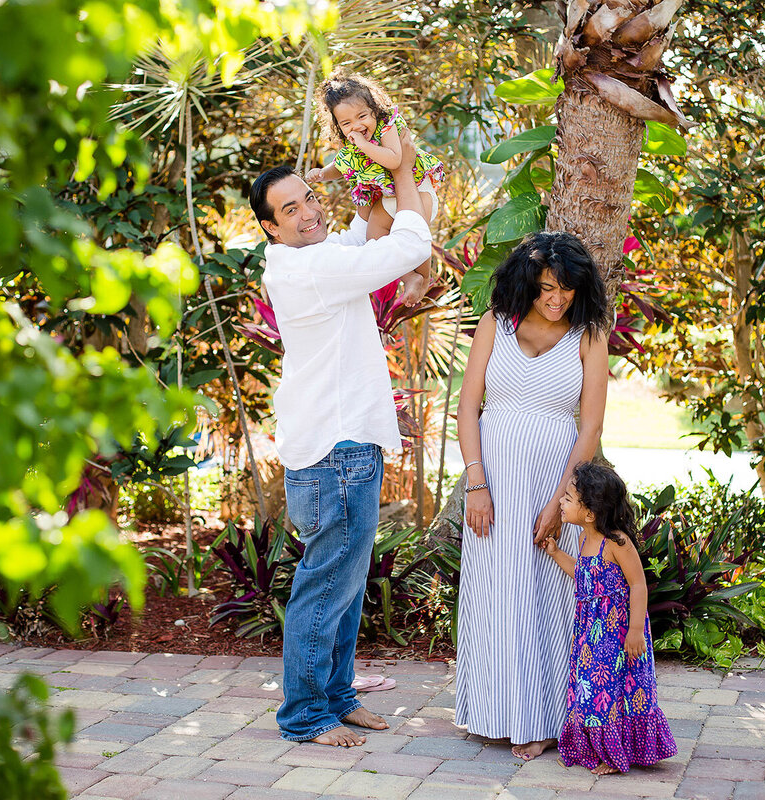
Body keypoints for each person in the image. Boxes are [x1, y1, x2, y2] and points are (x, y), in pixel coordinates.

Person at [251, 131, 431, 748]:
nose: (308, 212)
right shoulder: (313, 268)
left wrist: (373, 167)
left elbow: (368, 229)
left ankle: (336, 696)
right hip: (336, 452)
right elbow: (406, 243)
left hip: (341, 447)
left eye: (309, 198)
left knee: (345, 585)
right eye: (291, 210)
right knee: (326, 585)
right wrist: (403, 171)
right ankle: (304, 714)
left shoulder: (314, 257)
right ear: (272, 229)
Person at [455, 232, 611, 760]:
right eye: (547, 287)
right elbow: (466, 410)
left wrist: (560, 499)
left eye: (566, 289)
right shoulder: (495, 325)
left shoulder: (589, 335)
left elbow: (589, 427)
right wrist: (476, 485)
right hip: (493, 480)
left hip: (557, 478)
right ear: (527, 283)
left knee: (548, 599)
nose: (557, 298)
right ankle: (493, 710)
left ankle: (542, 718)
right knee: (496, 594)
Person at [540, 462, 678, 774]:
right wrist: (555, 553)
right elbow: (584, 576)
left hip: (619, 631)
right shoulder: (583, 539)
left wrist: (635, 631)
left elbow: (638, 584)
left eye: (567, 498)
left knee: (614, 692)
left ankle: (615, 755)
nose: (561, 501)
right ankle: (598, 747)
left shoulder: (617, 542)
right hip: (591, 632)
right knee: (591, 690)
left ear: (589, 513)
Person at [305, 69, 445, 307]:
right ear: (338, 125)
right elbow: (341, 166)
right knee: (377, 242)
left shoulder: (388, 127)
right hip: (393, 200)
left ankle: (421, 277)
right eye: (346, 123)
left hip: (417, 193)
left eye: (362, 116)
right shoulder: (353, 144)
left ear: (375, 109)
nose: (357, 126)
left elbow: (394, 160)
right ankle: (409, 276)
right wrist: (321, 174)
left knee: (402, 234)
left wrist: (361, 142)